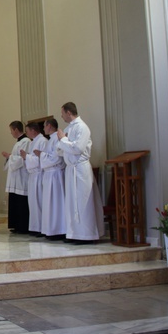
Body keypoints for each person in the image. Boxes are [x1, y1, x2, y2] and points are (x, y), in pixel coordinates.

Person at [56, 102, 104, 244]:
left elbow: (77, 148)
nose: (61, 116)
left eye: (62, 113)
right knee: (72, 203)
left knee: (82, 202)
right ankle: (74, 233)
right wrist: (62, 143)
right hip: (71, 170)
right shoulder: (68, 128)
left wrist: (63, 140)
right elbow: (61, 149)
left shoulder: (82, 127)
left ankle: (86, 235)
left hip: (80, 170)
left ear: (69, 112)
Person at [35, 118, 66, 240]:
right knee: (50, 204)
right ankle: (51, 230)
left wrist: (40, 154)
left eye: (44, 126)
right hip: (49, 175)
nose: (43, 129)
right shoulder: (51, 140)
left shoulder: (56, 138)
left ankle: (58, 230)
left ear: (49, 126)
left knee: (56, 203)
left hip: (56, 175)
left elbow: (57, 158)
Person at [2, 121, 30, 234]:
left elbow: (23, 159)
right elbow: (16, 157)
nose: (11, 133)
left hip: (22, 177)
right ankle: (16, 225)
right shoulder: (18, 142)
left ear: (16, 130)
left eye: (11, 131)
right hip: (15, 177)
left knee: (21, 202)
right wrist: (10, 157)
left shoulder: (26, 141)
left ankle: (23, 226)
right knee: (15, 201)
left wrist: (10, 156)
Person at [20, 122, 48, 236]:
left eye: (27, 131)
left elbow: (41, 160)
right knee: (33, 203)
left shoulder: (43, 141)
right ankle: (36, 227)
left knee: (39, 202)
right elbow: (34, 158)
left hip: (39, 175)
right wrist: (27, 157)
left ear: (33, 130)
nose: (26, 133)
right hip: (33, 176)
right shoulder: (33, 142)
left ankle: (42, 228)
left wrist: (27, 157)